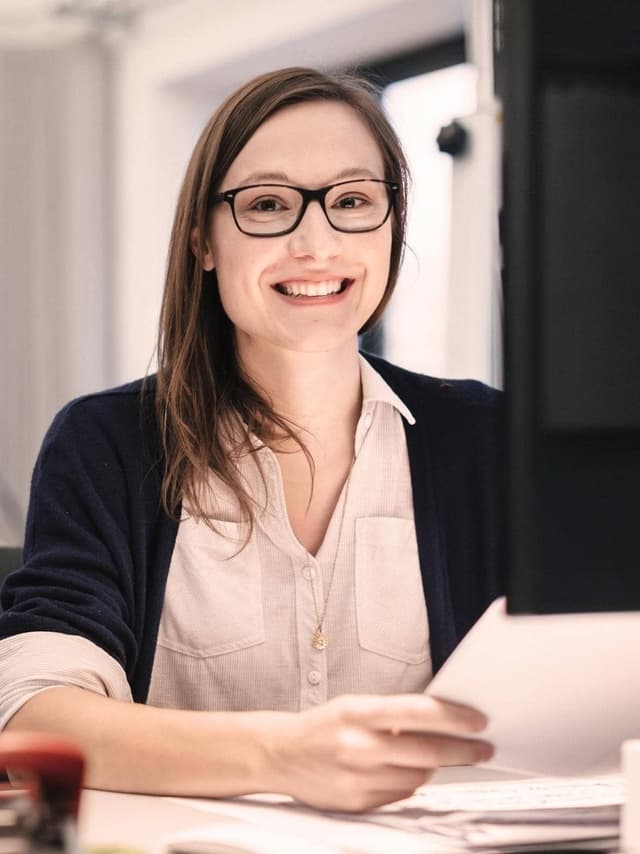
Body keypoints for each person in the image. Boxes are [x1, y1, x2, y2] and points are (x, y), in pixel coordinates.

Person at [0, 67, 502, 812]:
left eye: (354, 201)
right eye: (267, 204)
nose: (316, 241)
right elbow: (31, 720)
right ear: (203, 240)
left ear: (392, 226)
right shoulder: (106, 444)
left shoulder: (482, 438)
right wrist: (281, 756)